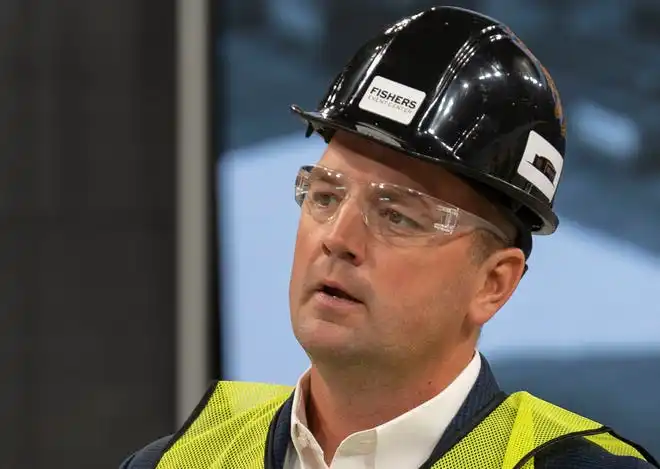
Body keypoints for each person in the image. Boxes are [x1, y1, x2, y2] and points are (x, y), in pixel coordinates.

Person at [120, 6, 658, 469]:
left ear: (493, 284)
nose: (338, 239)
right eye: (325, 197)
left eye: (397, 215)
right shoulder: (179, 459)